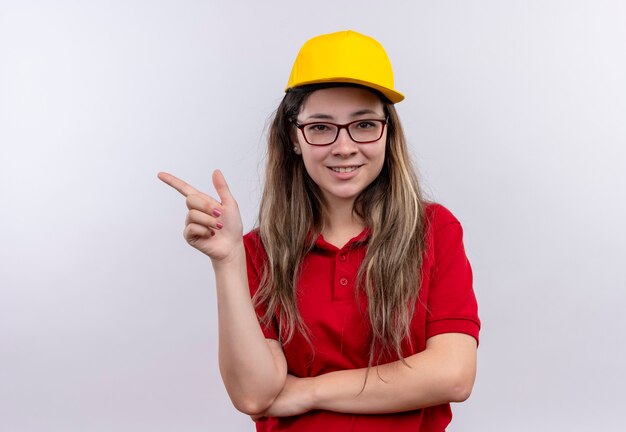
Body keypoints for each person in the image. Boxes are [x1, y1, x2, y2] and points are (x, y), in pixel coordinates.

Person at [158, 30, 480, 432]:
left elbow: (453, 374)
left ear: (388, 133)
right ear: (294, 136)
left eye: (363, 125)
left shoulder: (435, 230)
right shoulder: (257, 251)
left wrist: (307, 391)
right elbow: (254, 395)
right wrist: (227, 262)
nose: (344, 147)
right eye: (322, 127)